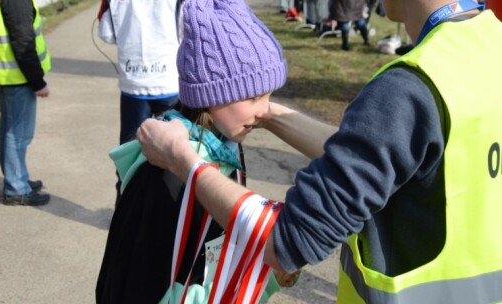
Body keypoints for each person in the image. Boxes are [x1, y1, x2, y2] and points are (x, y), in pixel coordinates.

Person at [138, 0, 502, 302]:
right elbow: (384, 155)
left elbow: (285, 240)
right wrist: (263, 110)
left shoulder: (408, 88)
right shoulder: (489, 43)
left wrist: (184, 162)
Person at [96, 0, 300, 302]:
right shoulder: (166, 175)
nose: (266, 111)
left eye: (270, 94)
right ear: (211, 94)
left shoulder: (225, 147)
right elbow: (133, 274)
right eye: (255, 96)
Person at [97, 0, 181, 204]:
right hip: (168, 82)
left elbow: (106, 33)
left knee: (129, 155)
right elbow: (186, 31)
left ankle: (125, 211)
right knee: (176, 151)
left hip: (133, 84)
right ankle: (170, 213)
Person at [0, 0, 51, 206]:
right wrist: (37, 82)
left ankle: (18, 179)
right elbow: (23, 40)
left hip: (3, 73)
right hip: (18, 76)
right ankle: (16, 188)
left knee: (9, 130)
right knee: (18, 135)